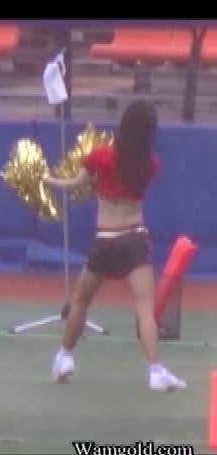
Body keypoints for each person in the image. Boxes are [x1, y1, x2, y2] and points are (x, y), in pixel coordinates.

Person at [43, 100, 186, 392]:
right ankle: (155, 371)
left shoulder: (100, 156)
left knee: (81, 300)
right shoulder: (150, 164)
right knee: (145, 309)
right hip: (134, 238)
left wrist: (49, 181)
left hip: (105, 239)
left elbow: (76, 184)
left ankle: (65, 357)